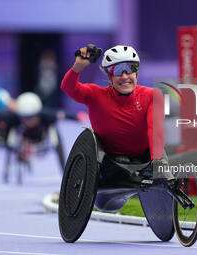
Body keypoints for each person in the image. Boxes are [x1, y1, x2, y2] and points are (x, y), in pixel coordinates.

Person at [61, 45, 168, 180]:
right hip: (111, 161)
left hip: (146, 158)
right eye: (117, 70)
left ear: (136, 73)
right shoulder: (95, 95)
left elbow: (156, 130)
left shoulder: (153, 95)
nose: (125, 76)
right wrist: (78, 67)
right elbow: (68, 87)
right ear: (109, 77)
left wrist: (158, 162)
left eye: (130, 69)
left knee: (163, 169)